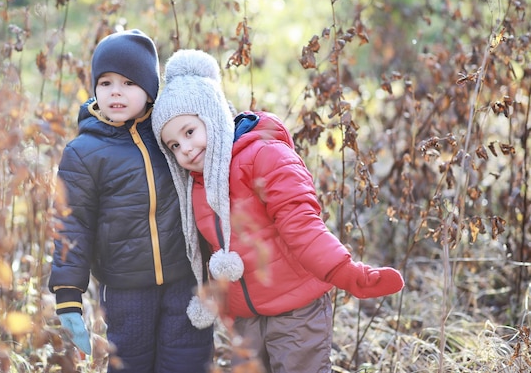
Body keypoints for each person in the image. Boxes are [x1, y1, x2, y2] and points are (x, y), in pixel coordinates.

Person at [151, 49, 405, 373]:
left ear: (212, 117)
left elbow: (302, 225)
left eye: (189, 132)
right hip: (247, 319)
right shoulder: (196, 185)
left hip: (295, 310)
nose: (184, 148)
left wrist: (347, 273)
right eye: (173, 145)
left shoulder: (264, 157)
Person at [48, 30, 214, 373]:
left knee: (187, 361)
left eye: (128, 82)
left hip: (185, 278)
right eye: (105, 82)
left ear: (150, 89)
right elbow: (71, 223)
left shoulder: (169, 135)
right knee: (131, 364)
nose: (116, 92)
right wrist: (68, 294)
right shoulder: (83, 153)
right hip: (126, 289)